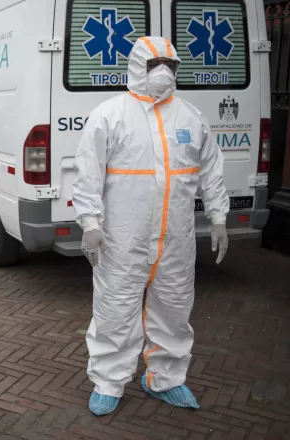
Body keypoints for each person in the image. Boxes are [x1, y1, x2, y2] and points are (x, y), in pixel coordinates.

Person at [72, 36, 230, 416]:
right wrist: (90, 223)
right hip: (123, 239)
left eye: (171, 66)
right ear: (136, 67)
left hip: (176, 239)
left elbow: (211, 170)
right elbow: (87, 174)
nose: (163, 73)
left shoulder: (191, 117)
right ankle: (109, 382)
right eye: (154, 64)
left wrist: (219, 216)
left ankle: (166, 379)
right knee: (115, 310)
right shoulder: (110, 115)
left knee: (175, 311)